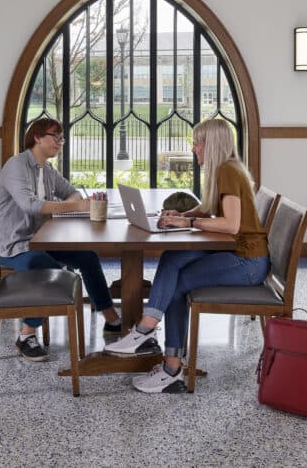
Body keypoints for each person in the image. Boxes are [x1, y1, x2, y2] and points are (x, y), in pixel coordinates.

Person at [104, 119, 269, 393]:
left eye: (198, 143)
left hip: (247, 262)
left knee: (178, 284)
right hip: (238, 252)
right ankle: (149, 335)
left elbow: (231, 225)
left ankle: (167, 363)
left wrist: (187, 225)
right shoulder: (224, 169)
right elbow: (208, 210)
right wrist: (182, 216)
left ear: (212, 144)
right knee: (171, 258)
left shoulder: (228, 171)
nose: (194, 149)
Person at [0, 117, 121, 362]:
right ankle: (26, 335)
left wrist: (74, 202)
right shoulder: (16, 165)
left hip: (41, 239)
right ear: (37, 137)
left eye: (62, 138)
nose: (60, 142)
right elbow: (30, 206)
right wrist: (76, 206)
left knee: (88, 257)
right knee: (44, 265)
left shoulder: (47, 169)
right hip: (14, 245)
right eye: (55, 136)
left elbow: (70, 191)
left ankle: (112, 319)